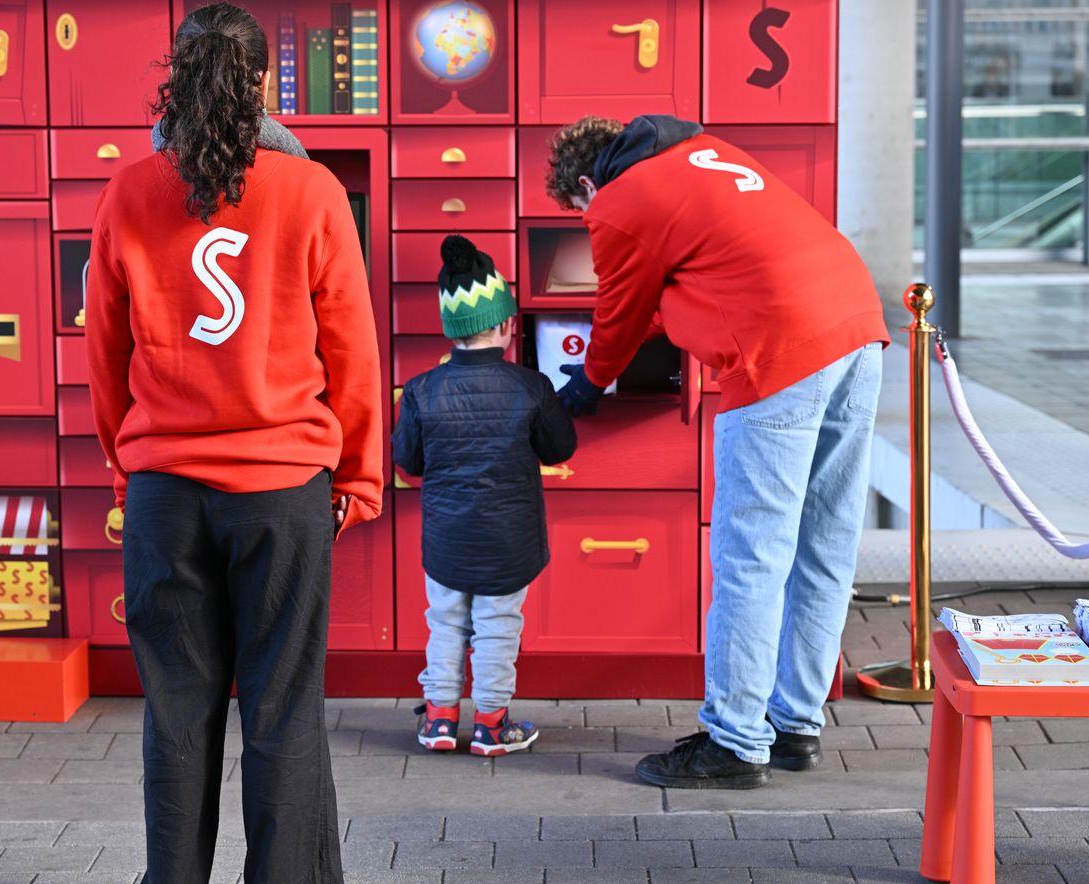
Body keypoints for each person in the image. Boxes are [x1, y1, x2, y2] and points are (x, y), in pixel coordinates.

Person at [86, 4, 382, 881]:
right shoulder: (315, 191)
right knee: (283, 709)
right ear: (264, 82)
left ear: (176, 78)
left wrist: (125, 472)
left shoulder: (129, 191)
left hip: (165, 497)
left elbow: (104, 352)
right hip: (284, 493)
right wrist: (359, 477)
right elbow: (352, 350)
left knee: (177, 713)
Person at [546, 115, 889, 789]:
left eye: (580, 211)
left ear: (587, 184)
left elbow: (616, 313)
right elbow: (679, 282)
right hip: (854, 325)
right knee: (824, 543)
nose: (591, 225)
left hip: (779, 348)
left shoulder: (616, 202)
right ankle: (795, 726)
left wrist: (586, 382)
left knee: (750, 556)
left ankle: (734, 742)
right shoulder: (699, 153)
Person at [392, 234, 577, 757]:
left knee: (446, 621)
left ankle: (439, 720)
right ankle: (492, 726)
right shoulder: (531, 385)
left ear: (453, 330)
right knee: (497, 626)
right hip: (508, 539)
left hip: (447, 539)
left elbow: (408, 460)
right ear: (504, 324)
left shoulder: (422, 389)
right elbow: (560, 445)